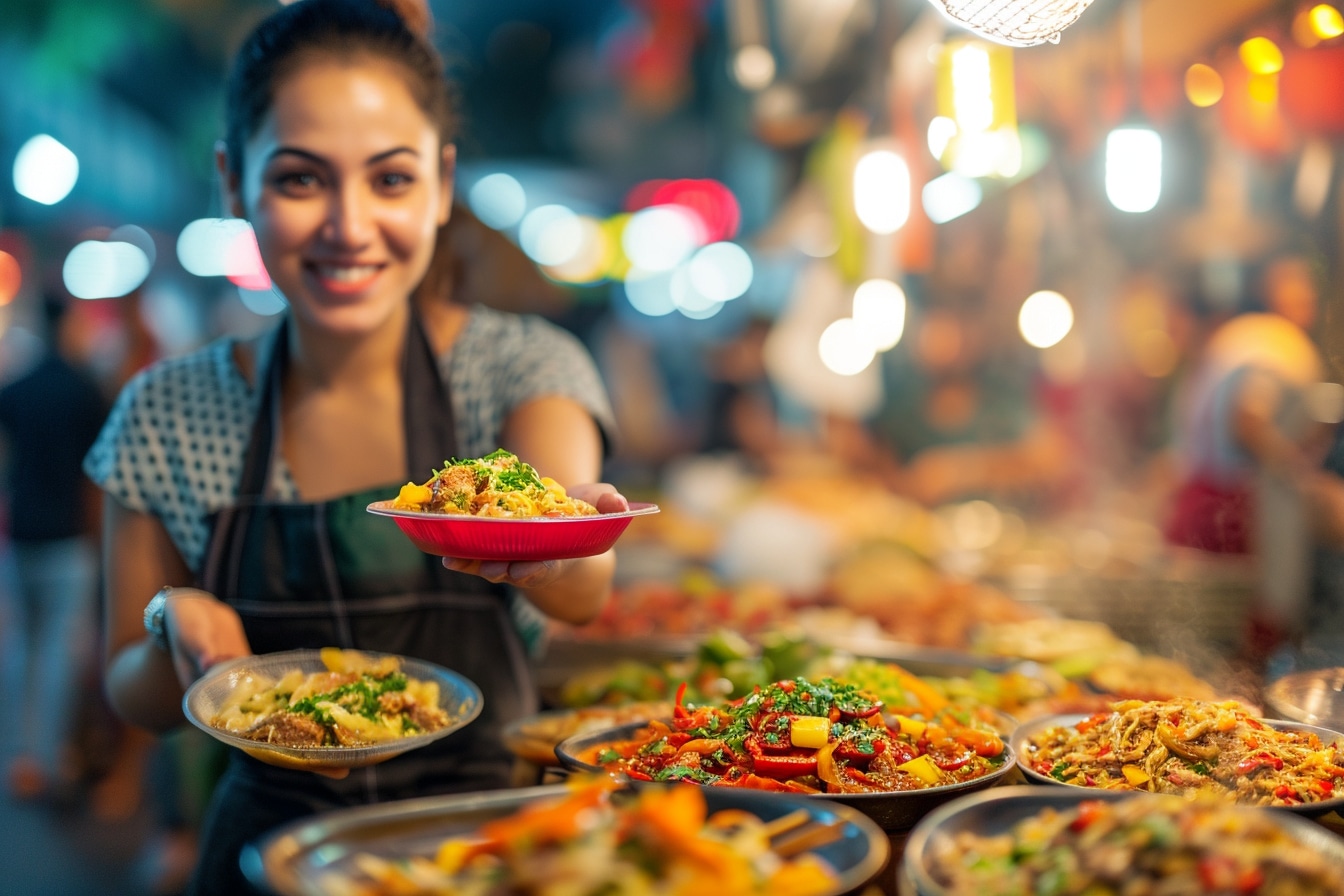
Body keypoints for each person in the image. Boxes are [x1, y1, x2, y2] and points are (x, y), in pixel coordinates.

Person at [83, 2, 624, 893]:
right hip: (270, 862)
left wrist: (546, 547)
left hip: (493, 857)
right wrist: (170, 631)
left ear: (442, 184)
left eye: (391, 180)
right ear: (232, 183)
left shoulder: (522, 367)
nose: (348, 224)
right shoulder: (166, 411)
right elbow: (132, 698)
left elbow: (587, 591)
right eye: (300, 180)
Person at [0, 292, 109, 800]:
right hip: (71, 537)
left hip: (22, 533)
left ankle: (23, 758)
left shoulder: (16, 389)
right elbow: (98, 476)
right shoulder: (85, 389)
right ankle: (53, 757)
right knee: (61, 656)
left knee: (23, 649)